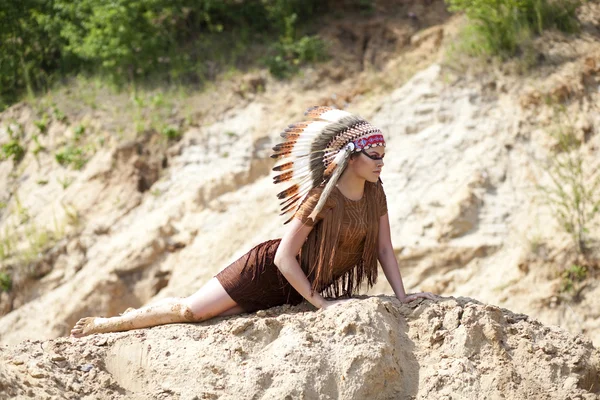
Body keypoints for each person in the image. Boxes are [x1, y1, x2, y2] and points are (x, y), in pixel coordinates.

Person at [71, 106, 436, 338]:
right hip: (265, 272)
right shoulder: (323, 198)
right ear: (351, 157)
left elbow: (384, 248)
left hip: (294, 291)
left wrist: (402, 296)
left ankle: (128, 320)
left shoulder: (376, 193)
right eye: (374, 155)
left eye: (383, 155)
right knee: (190, 312)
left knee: (207, 316)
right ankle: (108, 324)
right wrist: (322, 304)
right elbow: (283, 258)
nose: (380, 162)